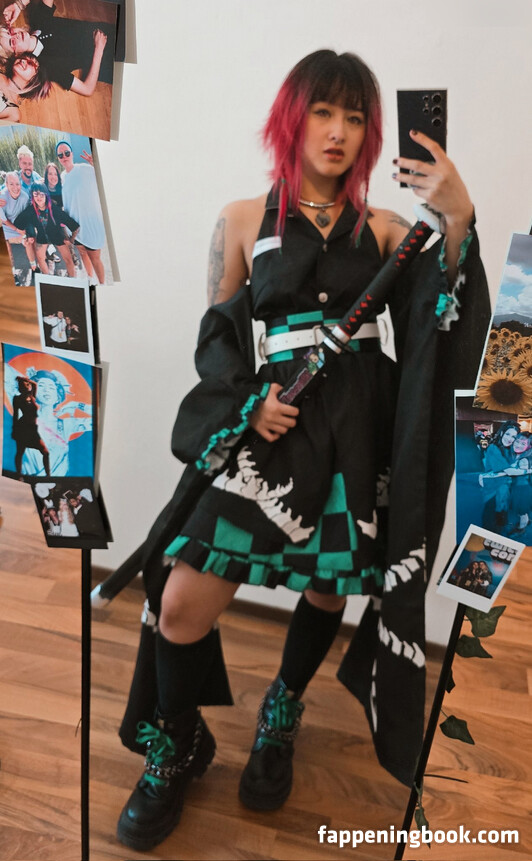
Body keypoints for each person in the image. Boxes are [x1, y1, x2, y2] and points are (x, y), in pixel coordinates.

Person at [114, 51, 489, 851]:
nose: (339, 131)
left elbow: (442, 325)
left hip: (356, 437)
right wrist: (248, 403)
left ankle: (283, 705)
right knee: (180, 602)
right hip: (271, 431)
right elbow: (218, 339)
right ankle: (177, 741)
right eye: (324, 111)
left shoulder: (387, 231)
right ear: (293, 116)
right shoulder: (241, 219)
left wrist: (458, 219)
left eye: (355, 117)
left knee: (328, 587)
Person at [1, 0, 113, 96]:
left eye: (9, 31)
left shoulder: (38, 20)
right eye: (12, 42)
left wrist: (19, 4)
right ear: (16, 54)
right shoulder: (46, 67)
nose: (15, 35)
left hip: (109, 29)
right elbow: (87, 90)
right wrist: (99, 49)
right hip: (108, 59)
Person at [19, 368, 92, 476]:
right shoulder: (24, 418)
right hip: (27, 482)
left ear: (58, 396)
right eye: (41, 386)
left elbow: (98, 419)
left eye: (51, 387)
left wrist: (75, 404)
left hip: (57, 482)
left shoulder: (66, 425)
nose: (46, 390)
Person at [56, 142, 106, 284]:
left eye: (67, 153)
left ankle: (102, 284)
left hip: (91, 223)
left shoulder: (84, 169)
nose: (64, 156)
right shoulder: (62, 177)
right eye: (60, 155)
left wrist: (95, 165)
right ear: (58, 158)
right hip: (75, 226)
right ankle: (90, 278)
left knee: (95, 258)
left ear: (71, 154)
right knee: (83, 253)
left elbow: (104, 177)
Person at [14, 182, 79, 276]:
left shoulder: (54, 209)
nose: (39, 197)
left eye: (41, 194)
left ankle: (72, 279)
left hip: (58, 235)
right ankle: (47, 278)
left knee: (69, 260)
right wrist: (26, 236)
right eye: (36, 194)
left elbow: (75, 226)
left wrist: (71, 240)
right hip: (42, 236)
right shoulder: (30, 210)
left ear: (46, 195)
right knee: (40, 259)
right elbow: (18, 224)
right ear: (32, 196)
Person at [480, 421, 521, 530]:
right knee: (490, 524)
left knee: (500, 523)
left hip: (504, 492)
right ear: (502, 433)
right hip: (493, 493)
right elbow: (508, 471)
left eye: (513, 437)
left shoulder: (509, 450)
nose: (509, 439)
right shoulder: (493, 448)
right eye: (508, 434)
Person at [11, 375, 50, 478]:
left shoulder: (32, 396)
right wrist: (14, 429)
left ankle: (48, 476)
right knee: (20, 452)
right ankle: (19, 475)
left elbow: (35, 384)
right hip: (22, 428)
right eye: (25, 385)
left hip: (33, 429)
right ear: (21, 388)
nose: (28, 386)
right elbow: (15, 415)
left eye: (28, 384)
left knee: (45, 452)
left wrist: (25, 379)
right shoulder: (17, 399)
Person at [0, 170, 35, 282]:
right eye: (11, 184)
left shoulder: (25, 197)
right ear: (6, 185)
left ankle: (34, 268)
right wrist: (16, 230)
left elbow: (27, 216)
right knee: (7, 250)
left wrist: (26, 232)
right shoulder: (2, 198)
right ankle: (13, 273)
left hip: (19, 225)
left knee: (29, 242)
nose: (15, 187)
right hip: (6, 227)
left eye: (17, 184)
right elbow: (4, 220)